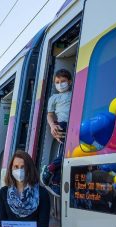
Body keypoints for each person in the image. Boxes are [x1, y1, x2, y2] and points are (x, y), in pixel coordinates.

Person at [40, 69, 73, 197]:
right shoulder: (53, 98)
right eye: (57, 82)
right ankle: (50, 170)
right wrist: (52, 125)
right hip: (62, 125)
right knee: (66, 152)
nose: (60, 84)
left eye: (63, 81)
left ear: (69, 81)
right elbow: (49, 115)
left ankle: (54, 181)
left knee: (65, 151)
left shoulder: (74, 92)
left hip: (73, 124)